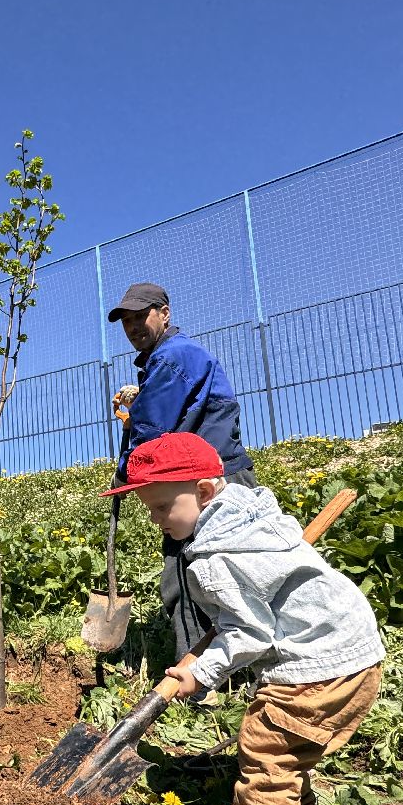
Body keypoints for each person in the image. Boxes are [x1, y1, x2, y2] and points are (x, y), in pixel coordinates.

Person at [103, 432, 384, 805]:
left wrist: (200, 672)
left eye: (163, 506)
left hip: (314, 665)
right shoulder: (252, 519)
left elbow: (249, 634)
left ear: (206, 492)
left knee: (267, 748)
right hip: (356, 653)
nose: (155, 519)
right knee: (291, 747)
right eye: (150, 509)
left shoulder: (216, 557)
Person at [107, 282, 257, 663]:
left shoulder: (172, 359)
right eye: (126, 321)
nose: (133, 327)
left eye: (141, 316)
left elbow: (154, 434)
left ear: (165, 313)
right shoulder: (173, 358)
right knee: (230, 575)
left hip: (204, 485)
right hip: (217, 477)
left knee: (187, 581)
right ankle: (234, 670)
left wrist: (125, 472)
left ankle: (196, 687)